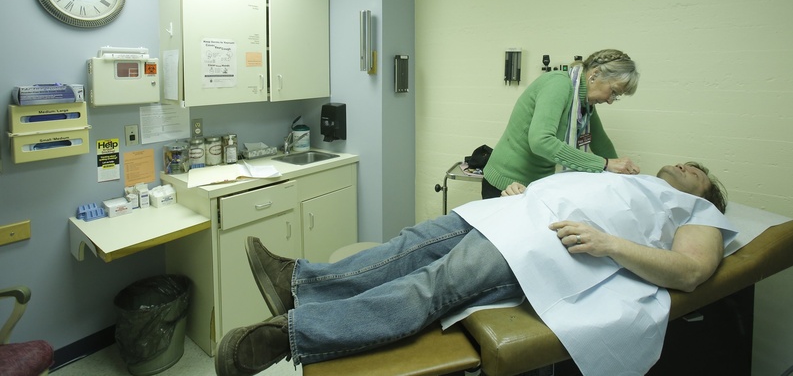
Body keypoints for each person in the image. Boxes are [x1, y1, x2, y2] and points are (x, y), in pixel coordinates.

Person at [215, 162, 732, 376]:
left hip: (546, 245)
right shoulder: (628, 174)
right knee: (409, 245)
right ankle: (299, 281)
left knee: (430, 286)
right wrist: (532, 190)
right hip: (513, 212)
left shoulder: (694, 211)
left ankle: (288, 336)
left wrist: (609, 243)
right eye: (687, 161)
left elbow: (688, 271)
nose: (687, 167)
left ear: (706, 194)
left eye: (698, 171)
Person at [482, 49, 641, 199]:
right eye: (613, 91)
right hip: (507, 184)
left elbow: (601, 143)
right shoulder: (559, 84)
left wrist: (621, 171)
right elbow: (541, 141)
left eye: (616, 96)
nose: (610, 101)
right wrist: (605, 164)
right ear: (594, 75)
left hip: (536, 184)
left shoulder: (583, 103)